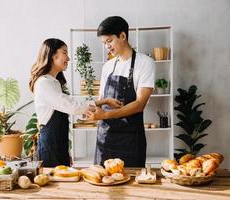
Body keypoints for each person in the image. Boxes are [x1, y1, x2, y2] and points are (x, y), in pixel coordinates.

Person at [29, 38, 122, 167]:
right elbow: (72, 107)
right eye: (65, 53)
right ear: (52, 55)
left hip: (58, 144)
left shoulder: (52, 82)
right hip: (50, 147)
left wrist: (66, 152)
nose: (68, 58)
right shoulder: (44, 83)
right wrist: (103, 103)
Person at [86, 16, 155, 167]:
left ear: (123, 36)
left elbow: (139, 104)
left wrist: (106, 115)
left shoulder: (145, 63)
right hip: (105, 138)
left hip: (130, 140)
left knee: (130, 186)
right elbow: (102, 98)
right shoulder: (107, 66)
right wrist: (95, 111)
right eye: (104, 43)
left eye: (109, 41)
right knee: (102, 182)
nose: (107, 47)